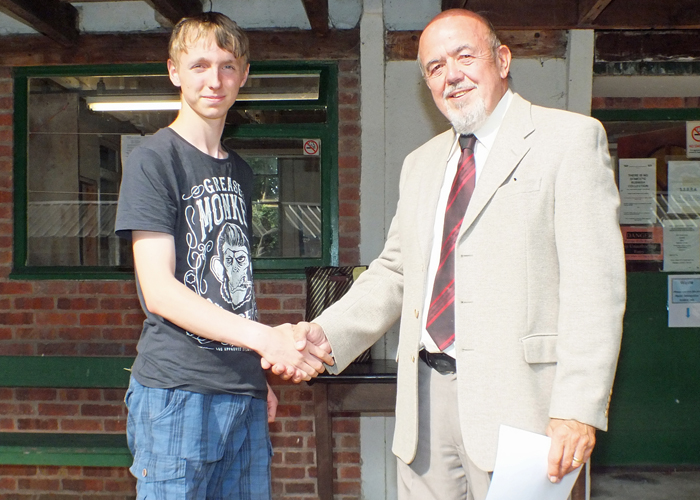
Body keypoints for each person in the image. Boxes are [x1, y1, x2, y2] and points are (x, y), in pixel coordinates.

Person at [274, 8, 626, 500]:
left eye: (465, 56)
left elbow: (595, 288)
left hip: (525, 405)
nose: (451, 75)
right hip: (424, 408)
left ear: (502, 60)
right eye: (435, 67)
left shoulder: (568, 141)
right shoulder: (420, 165)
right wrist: (325, 334)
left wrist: (577, 408)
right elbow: (395, 272)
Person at [115, 12, 331, 499]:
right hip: (177, 393)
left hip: (241, 393)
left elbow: (232, 290)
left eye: (228, 66)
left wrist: (255, 374)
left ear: (244, 75)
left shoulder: (239, 171)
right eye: (199, 65)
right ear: (174, 72)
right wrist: (267, 342)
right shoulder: (154, 159)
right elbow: (161, 291)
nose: (215, 80)